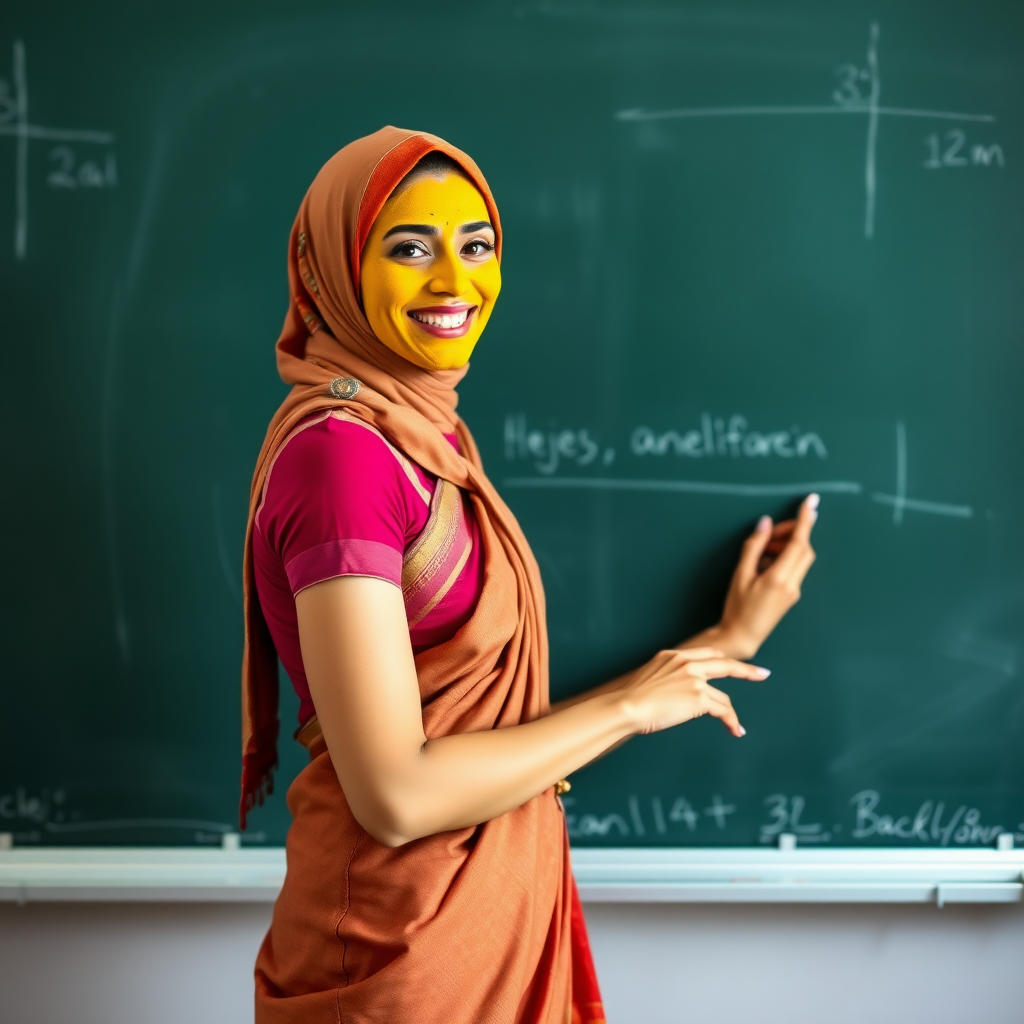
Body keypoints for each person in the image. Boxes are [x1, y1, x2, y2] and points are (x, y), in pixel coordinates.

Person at [240, 126, 818, 1024]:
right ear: (330, 274)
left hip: (480, 919)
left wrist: (722, 644)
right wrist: (630, 704)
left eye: (476, 247)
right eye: (407, 248)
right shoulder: (341, 462)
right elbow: (397, 795)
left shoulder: (429, 439)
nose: (453, 283)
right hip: (398, 956)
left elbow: (481, 726)